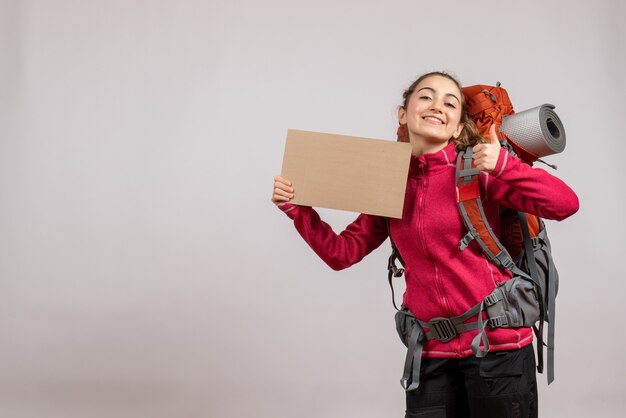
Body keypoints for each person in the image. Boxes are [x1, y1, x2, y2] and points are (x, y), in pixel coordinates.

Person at [271, 71, 579, 418]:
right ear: (403, 113)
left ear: (459, 126)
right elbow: (342, 253)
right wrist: (299, 211)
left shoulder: (478, 171)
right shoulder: (390, 182)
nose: (437, 106)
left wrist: (504, 165)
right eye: (426, 97)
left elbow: (565, 204)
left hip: (499, 351)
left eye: (450, 102)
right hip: (431, 356)